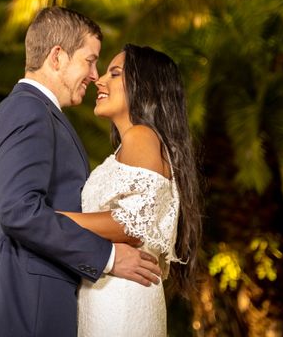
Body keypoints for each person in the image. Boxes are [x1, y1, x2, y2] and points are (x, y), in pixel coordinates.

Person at [0, 8, 162, 337]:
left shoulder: (36, 112)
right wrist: (107, 258)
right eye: (89, 60)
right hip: (26, 304)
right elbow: (19, 212)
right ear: (57, 57)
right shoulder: (29, 111)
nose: (94, 75)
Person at [58, 44, 203, 336]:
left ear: (144, 86)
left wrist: (52, 219)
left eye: (114, 74)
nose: (99, 80)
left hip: (121, 299)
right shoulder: (132, 145)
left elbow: (131, 223)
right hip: (111, 292)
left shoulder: (141, 136)